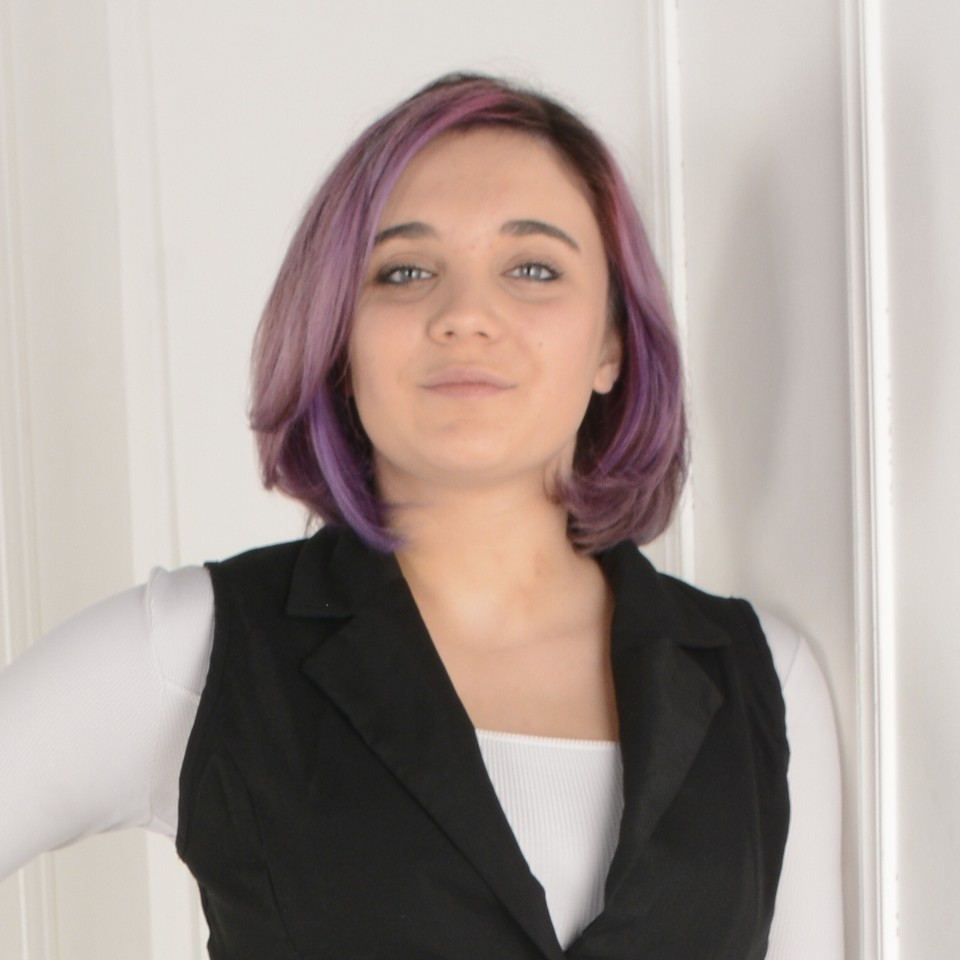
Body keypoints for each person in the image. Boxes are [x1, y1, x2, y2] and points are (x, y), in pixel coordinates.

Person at [0, 74, 842, 958]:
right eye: (405, 272)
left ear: (611, 343)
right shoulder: (195, 652)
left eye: (533, 268)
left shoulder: (763, 679)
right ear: (339, 337)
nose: (466, 315)